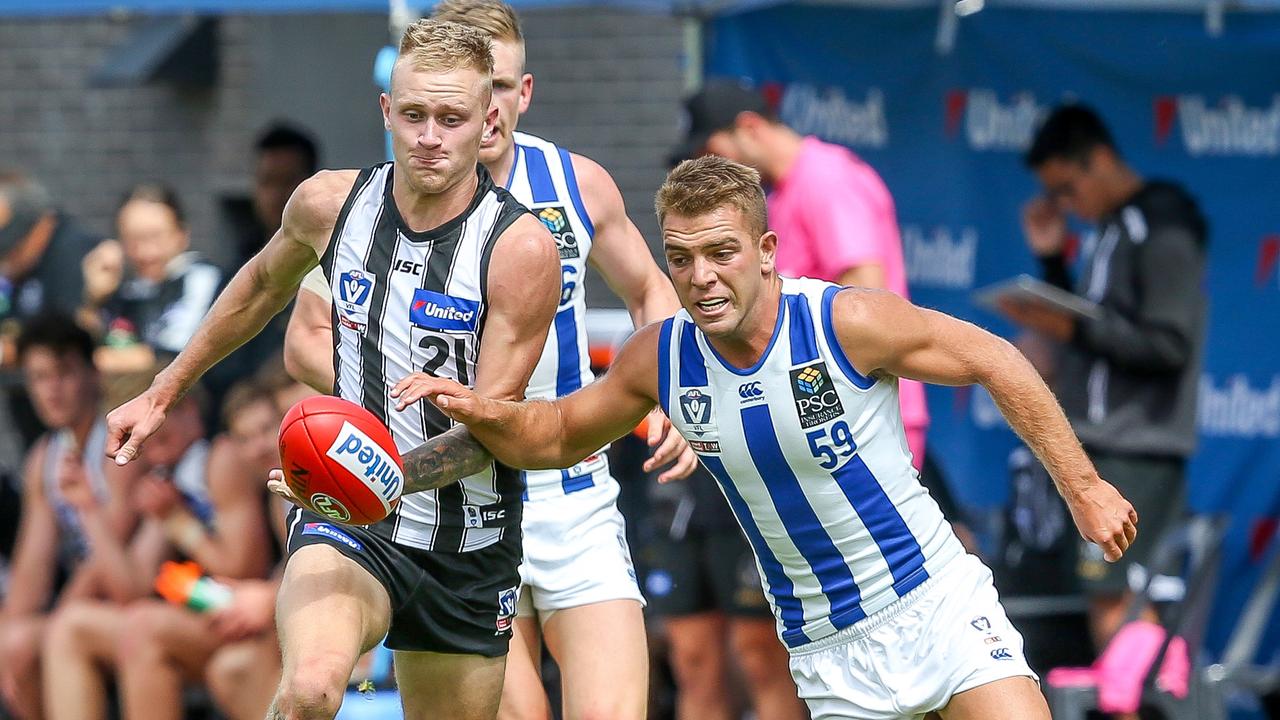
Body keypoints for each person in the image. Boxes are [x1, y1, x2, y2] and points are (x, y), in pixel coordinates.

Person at [380, 155, 1140, 720]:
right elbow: (554, 434)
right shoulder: (664, 356)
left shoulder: (843, 322)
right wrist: (480, 409)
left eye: (721, 253)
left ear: (769, 252)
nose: (700, 277)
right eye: (679, 258)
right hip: (828, 650)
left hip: (936, 602)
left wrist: (1085, 486)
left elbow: (995, 359)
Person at [104, 19, 580, 720]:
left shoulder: (522, 251)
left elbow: (494, 429)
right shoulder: (329, 203)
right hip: (347, 523)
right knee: (312, 688)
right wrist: (164, 389)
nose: (429, 135)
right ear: (386, 111)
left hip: (466, 539)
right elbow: (259, 289)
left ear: (488, 122)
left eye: (452, 118)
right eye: (413, 114)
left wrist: (383, 477)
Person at [282, 2, 691, 717]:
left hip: (571, 488)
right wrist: (387, 408)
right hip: (451, 502)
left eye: (500, 87)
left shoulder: (577, 183)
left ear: (520, 92)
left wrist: (677, 393)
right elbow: (306, 336)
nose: (489, 107)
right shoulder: (380, 199)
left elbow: (652, 290)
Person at [1003, 103, 1207, 652]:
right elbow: (1095, 329)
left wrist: (1067, 327)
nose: (1067, 207)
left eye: (1067, 190)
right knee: (1109, 607)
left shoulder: (1161, 222)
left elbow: (1168, 344)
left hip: (1135, 446)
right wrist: (1051, 265)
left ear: (1098, 159)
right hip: (1101, 441)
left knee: (1123, 608)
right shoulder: (1111, 229)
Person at [672, 79, 928, 471]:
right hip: (822, 410)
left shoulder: (825, 179)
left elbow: (867, 295)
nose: (712, 169)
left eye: (712, 151)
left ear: (751, 128)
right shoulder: (781, 192)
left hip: (863, 410)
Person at [42, 383, 274, 720]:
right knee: (69, 626)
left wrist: (179, 522)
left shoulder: (219, 457)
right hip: (207, 617)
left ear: (190, 410)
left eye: (150, 420)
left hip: (251, 616)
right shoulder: (167, 477)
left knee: (143, 626)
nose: (144, 435)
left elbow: (244, 569)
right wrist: (88, 507)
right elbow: (132, 588)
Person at [0, 314, 137, 720]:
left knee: (49, 636)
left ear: (93, 374)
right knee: (15, 642)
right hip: (85, 603)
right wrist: (11, 625)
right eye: (39, 377)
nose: (51, 390)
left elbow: (112, 550)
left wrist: (56, 615)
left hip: (137, 589)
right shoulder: (46, 455)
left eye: (63, 373)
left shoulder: (120, 440)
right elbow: (33, 561)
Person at [79, 185, 223, 376]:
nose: (145, 252)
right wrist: (93, 301)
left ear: (182, 235)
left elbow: (172, 357)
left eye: (155, 237)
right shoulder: (128, 290)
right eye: (133, 239)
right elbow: (80, 351)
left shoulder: (200, 279)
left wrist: (96, 360)